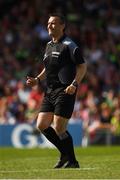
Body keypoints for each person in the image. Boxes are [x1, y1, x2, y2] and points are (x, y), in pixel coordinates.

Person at [26, 13, 87, 168]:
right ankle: (66, 155)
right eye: (48, 23)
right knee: (42, 124)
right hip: (50, 90)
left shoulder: (70, 45)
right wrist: (37, 80)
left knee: (59, 127)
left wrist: (74, 84)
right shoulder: (48, 45)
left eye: (53, 23)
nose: (49, 26)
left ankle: (72, 161)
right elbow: (47, 68)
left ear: (62, 26)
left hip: (65, 90)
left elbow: (82, 66)